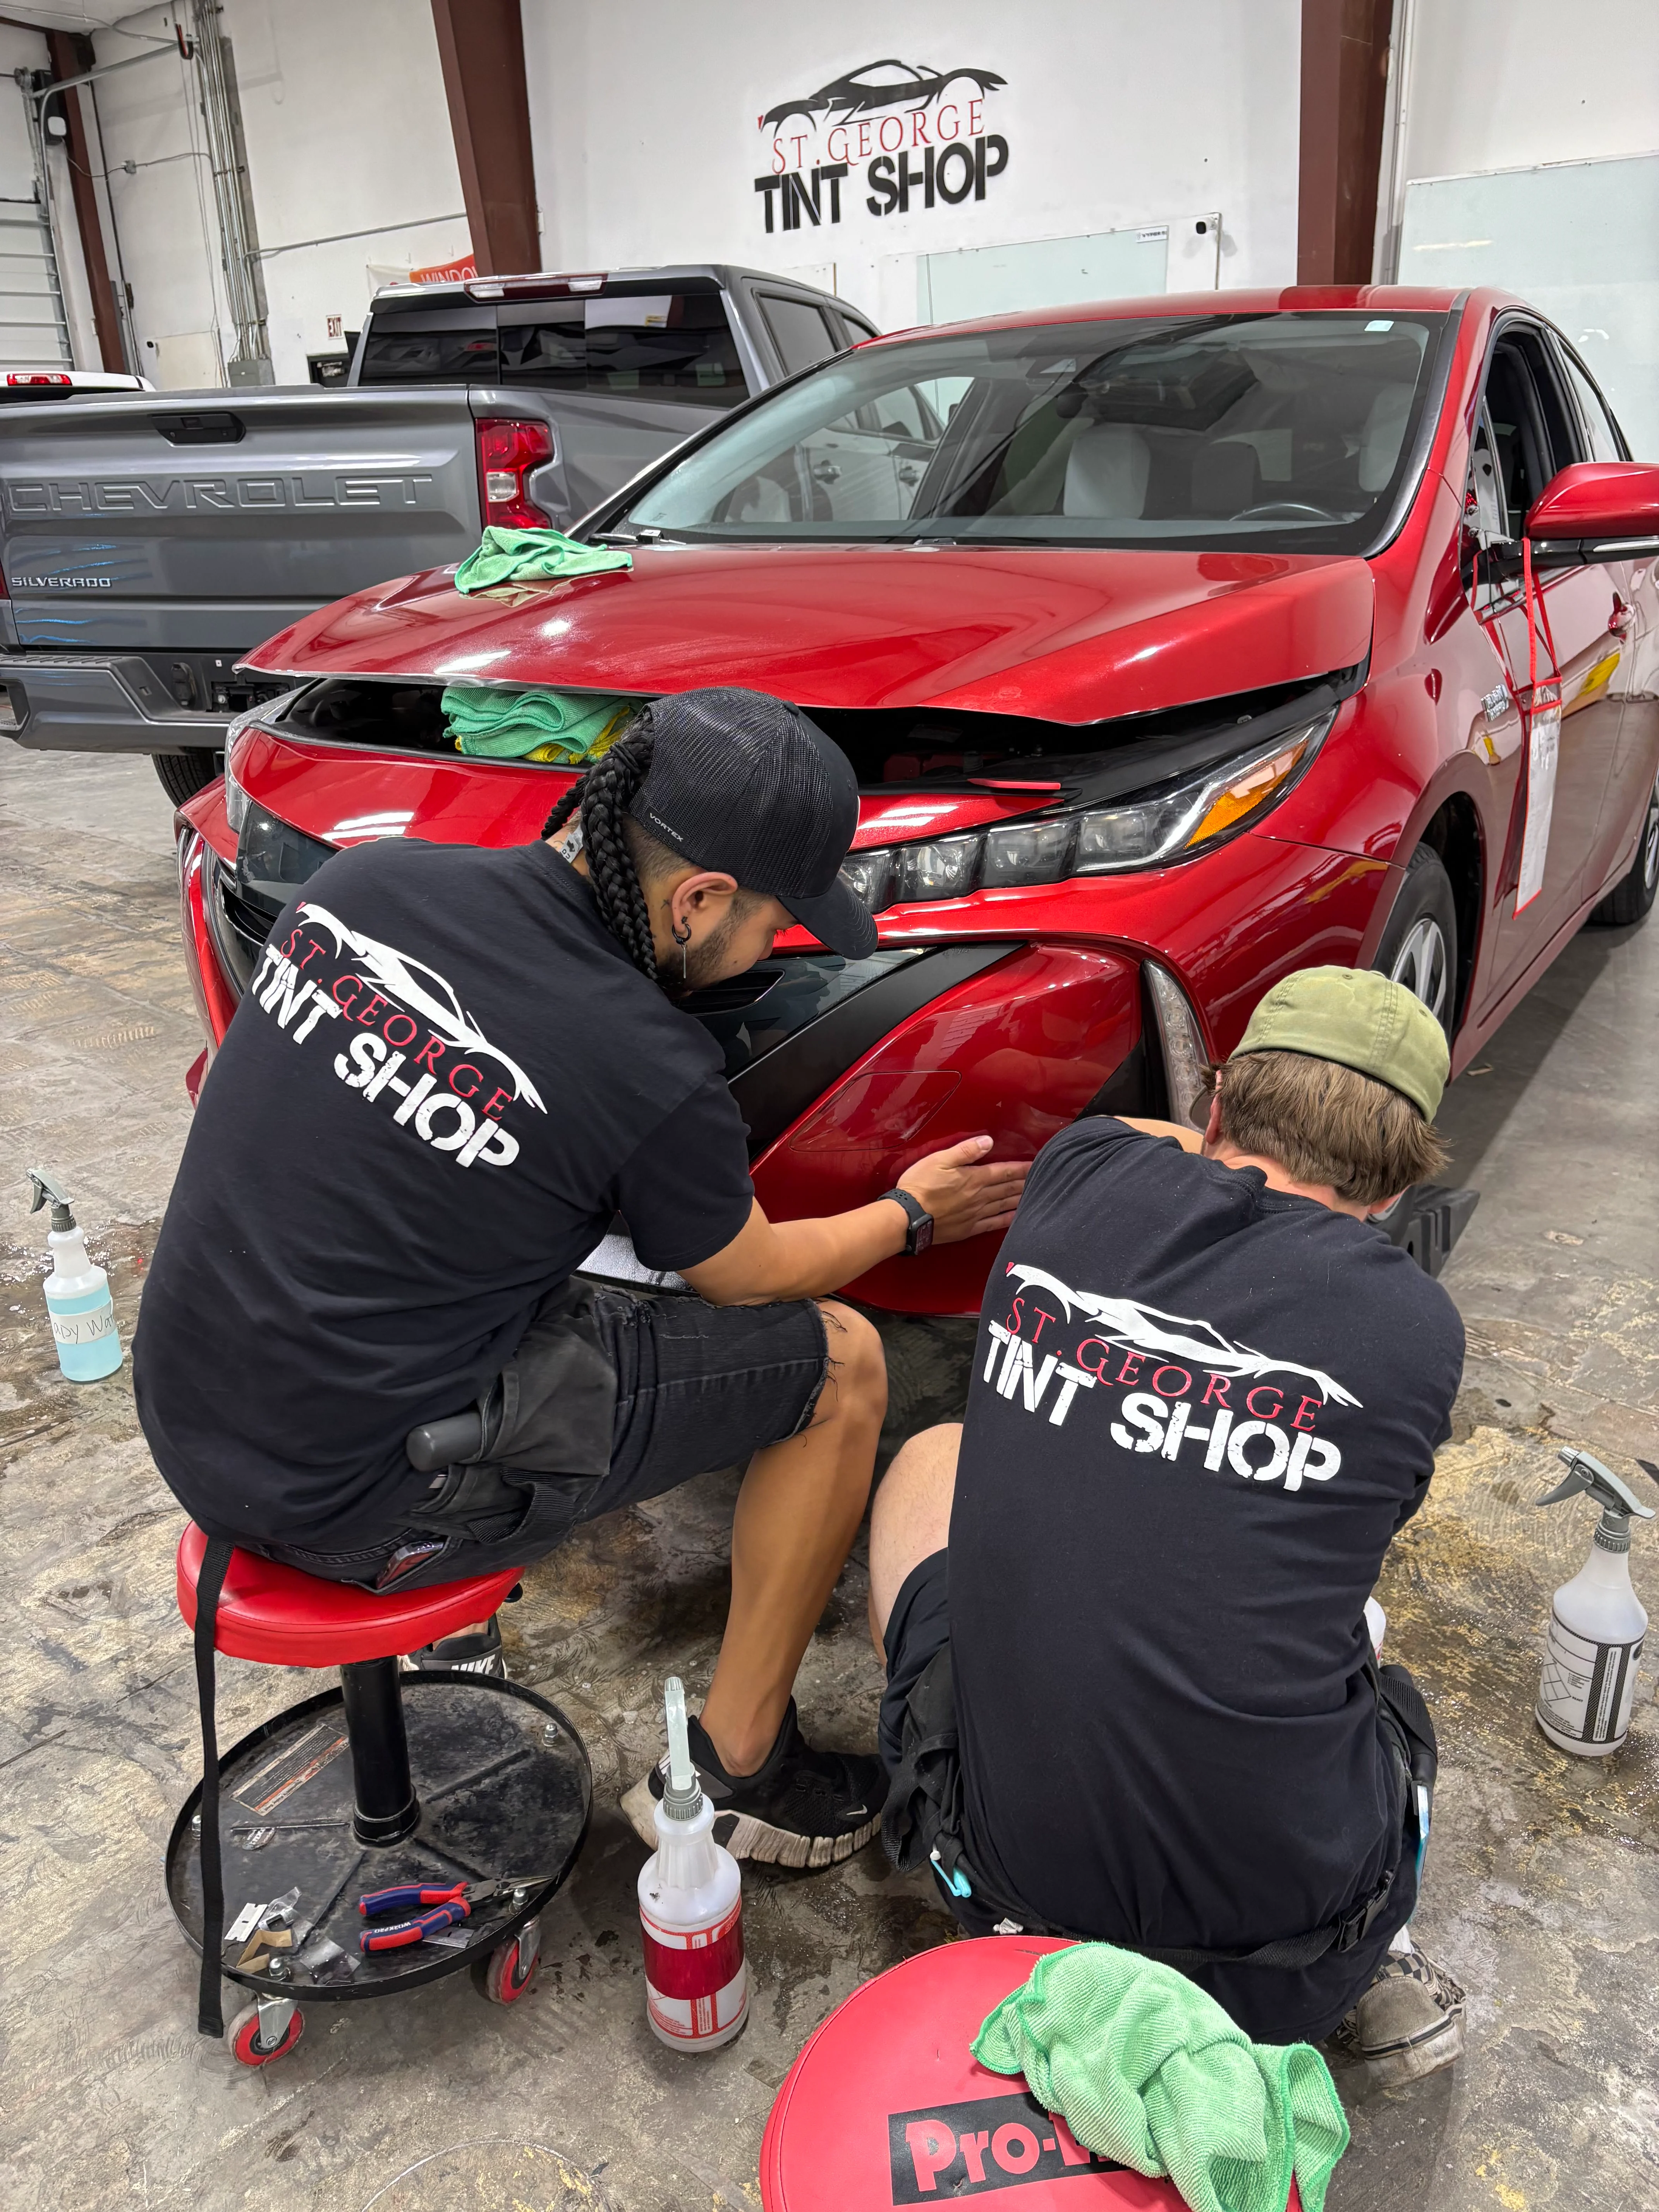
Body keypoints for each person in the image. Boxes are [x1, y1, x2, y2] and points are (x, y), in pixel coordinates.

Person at [134, 687, 1026, 1871]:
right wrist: (910, 1215)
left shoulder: (367, 885)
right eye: (773, 924)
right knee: (839, 1361)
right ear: (696, 900)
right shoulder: (645, 1062)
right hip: (351, 1504)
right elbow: (748, 1274)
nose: (774, 950)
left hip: (190, 1409)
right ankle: (740, 1769)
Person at [872, 967, 1468, 2081]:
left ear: (1216, 1109)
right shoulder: (1414, 1329)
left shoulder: (1080, 1172)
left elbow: (1140, 1131)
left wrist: (1212, 1121)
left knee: (927, 1461)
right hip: (1283, 1963)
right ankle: (1369, 1966)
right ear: (1394, 1192)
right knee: (1355, 1639)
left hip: (1006, 1899)